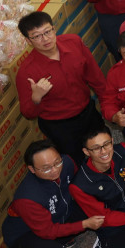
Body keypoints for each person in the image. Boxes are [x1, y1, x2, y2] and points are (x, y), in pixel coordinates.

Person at [3, 140, 103, 248]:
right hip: (26, 233)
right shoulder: (27, 198)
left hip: (59, 212)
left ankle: (71, 238)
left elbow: (81, 183)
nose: (55, 170)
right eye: (46, 168)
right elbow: (47, 231)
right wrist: (84, 224)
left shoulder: (67, 162)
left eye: (57, 162)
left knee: (98, 202)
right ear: (32, 169)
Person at [16, 11, 106, 159]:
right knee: (76, 162)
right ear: (28, 41)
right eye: (37, 36)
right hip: (60, 126)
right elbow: (28, 113)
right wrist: (36, 98)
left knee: (103, 152)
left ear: (54, 29)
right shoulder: (26, 72)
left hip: (88, 112)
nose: (45, 39)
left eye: (47, 32)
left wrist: (108, 106)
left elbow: (96, 78)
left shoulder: (74, 43)